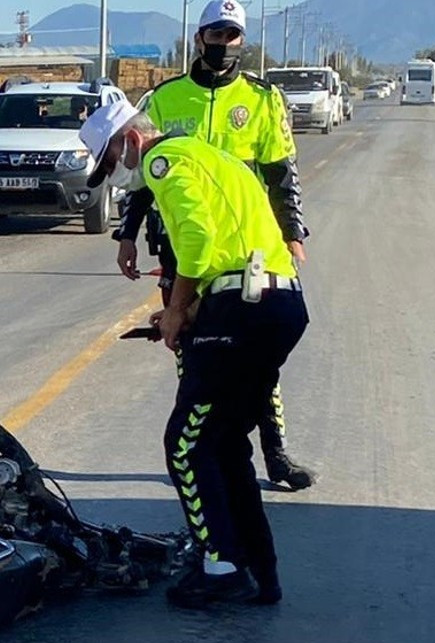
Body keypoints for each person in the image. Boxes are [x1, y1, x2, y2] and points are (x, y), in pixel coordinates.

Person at [80, 99, 309, 608]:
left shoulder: (166, 163)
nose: (118, 177)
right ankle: (257, 569)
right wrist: (194, 307)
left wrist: (179, 309)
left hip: (242, 313)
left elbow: (199, 246)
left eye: (113, 163)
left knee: (185, 444)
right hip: (278, 305)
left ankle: (220, 565)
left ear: (132, 141)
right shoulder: (216, 159)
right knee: (225, 446)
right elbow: (234, 248)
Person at [114, 0, 316, 492]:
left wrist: (292, 233)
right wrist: (127, 234)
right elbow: (144, 174)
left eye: (232, 36)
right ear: (199, 37)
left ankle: (275, 453)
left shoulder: (263, 99)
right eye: (214, 34)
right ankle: (203, 443)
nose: (222, 44)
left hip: (248, 248)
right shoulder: (166, 98)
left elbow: (281, 173)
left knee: (256, 355)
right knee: (191, 347)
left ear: (241, 41)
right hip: (180, 248)